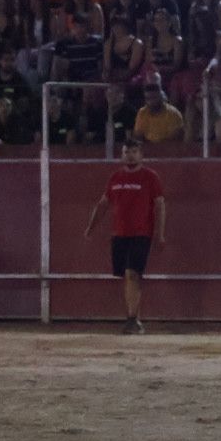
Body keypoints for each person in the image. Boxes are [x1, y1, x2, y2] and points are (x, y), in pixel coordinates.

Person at [83, 137, 166, 334]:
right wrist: (91, 227)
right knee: (128, 276)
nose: (130, 156)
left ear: (141, 155)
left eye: (134, 152)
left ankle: (132, 318)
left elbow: (160, 205)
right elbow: (103, 204)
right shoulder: (115, 178)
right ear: (122, 155)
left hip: (141, 233)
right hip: (120, 233)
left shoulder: (150, 177)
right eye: (127, 152)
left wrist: (159, 233)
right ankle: (134, 317)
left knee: (132, 273)